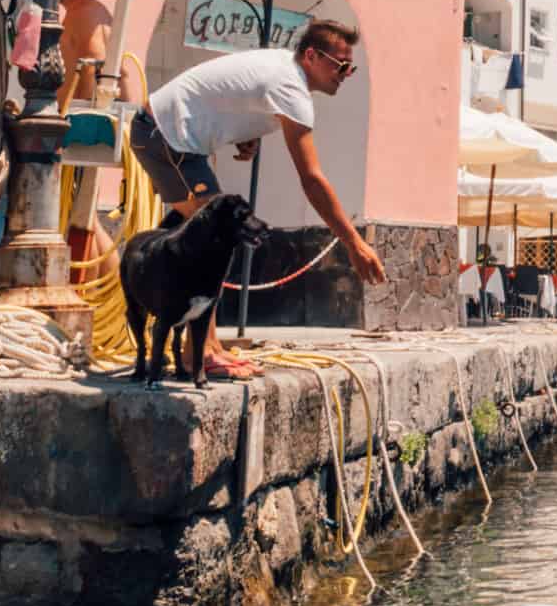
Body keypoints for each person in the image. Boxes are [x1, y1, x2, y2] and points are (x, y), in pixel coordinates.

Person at [130, 20, 385, 377]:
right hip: (164, 134)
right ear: (311, 56)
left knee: (208, 240)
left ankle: (209, 345)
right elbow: (311, 180)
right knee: (210, 240)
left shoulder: (285, 71)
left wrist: (243, 133)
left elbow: (231, 95)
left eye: (350, 67)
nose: (346, 74)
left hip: (168, 134)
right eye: (340, 65)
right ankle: (198, 354)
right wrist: (354, 243)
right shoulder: (291, 88)